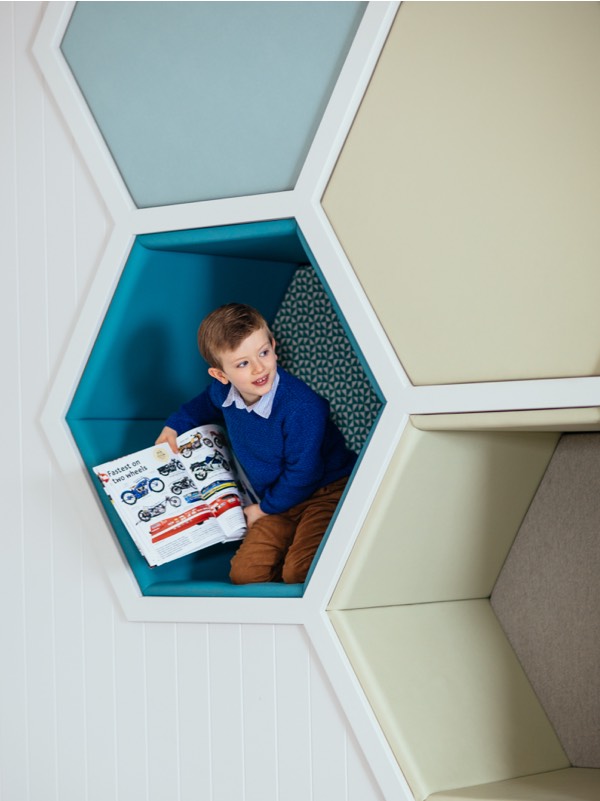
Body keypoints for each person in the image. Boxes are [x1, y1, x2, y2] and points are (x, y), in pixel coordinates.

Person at [156, 303, 357, 584]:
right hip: (276, 496)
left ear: (273, 346)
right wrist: (174, 426)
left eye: (263, 353)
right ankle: (289, 550)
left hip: (324, 490)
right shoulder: (222, 391)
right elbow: (201, 406)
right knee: (245, 575)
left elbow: (304, 473)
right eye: (243, 363)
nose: (259, 368)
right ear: (221, 375)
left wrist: (263, 510)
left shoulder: (301, 407)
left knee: (299, 572)